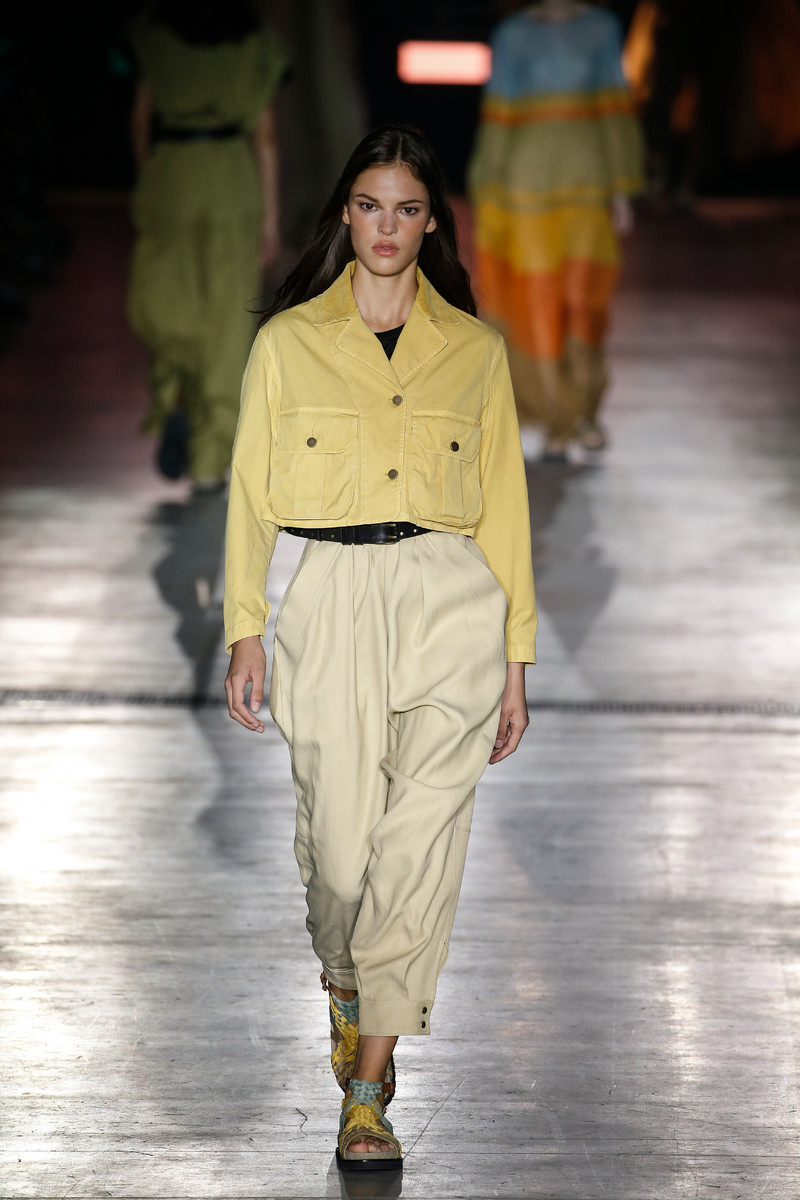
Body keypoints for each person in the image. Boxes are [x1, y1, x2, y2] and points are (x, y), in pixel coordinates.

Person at [223, 124, 537, 1170]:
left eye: (406, 209)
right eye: (369, 207)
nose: (386, 228)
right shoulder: (288, 344)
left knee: (418, 854)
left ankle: (368, 1092)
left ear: (432, 222)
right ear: (345, 215)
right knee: (342, 854)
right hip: (333, 601)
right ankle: (345, 978)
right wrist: (244, 631)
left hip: (453, 604)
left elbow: (505, 511)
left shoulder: (475, 352)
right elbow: (248, 498)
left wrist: (515, 662)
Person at [467, 0, 644, 461]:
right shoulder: (512, 35)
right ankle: (549, 415)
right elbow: (497, 114)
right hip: (523, 188)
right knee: (536, 303)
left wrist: (622, 187)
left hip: (588, 184)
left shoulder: (601, 29)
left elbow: (614, 106)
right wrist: (487, 188)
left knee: (585, 301)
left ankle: (582, 410)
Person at [124, 0, 289, 491]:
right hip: (230, 179)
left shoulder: (153, 35)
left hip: (172, 175)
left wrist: (151, 178)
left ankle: (175, 393)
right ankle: (209, 456)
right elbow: (265, 134)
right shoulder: (255, 43)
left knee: (166, 304)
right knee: (226, 322)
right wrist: (270, 214)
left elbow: (141, 121)